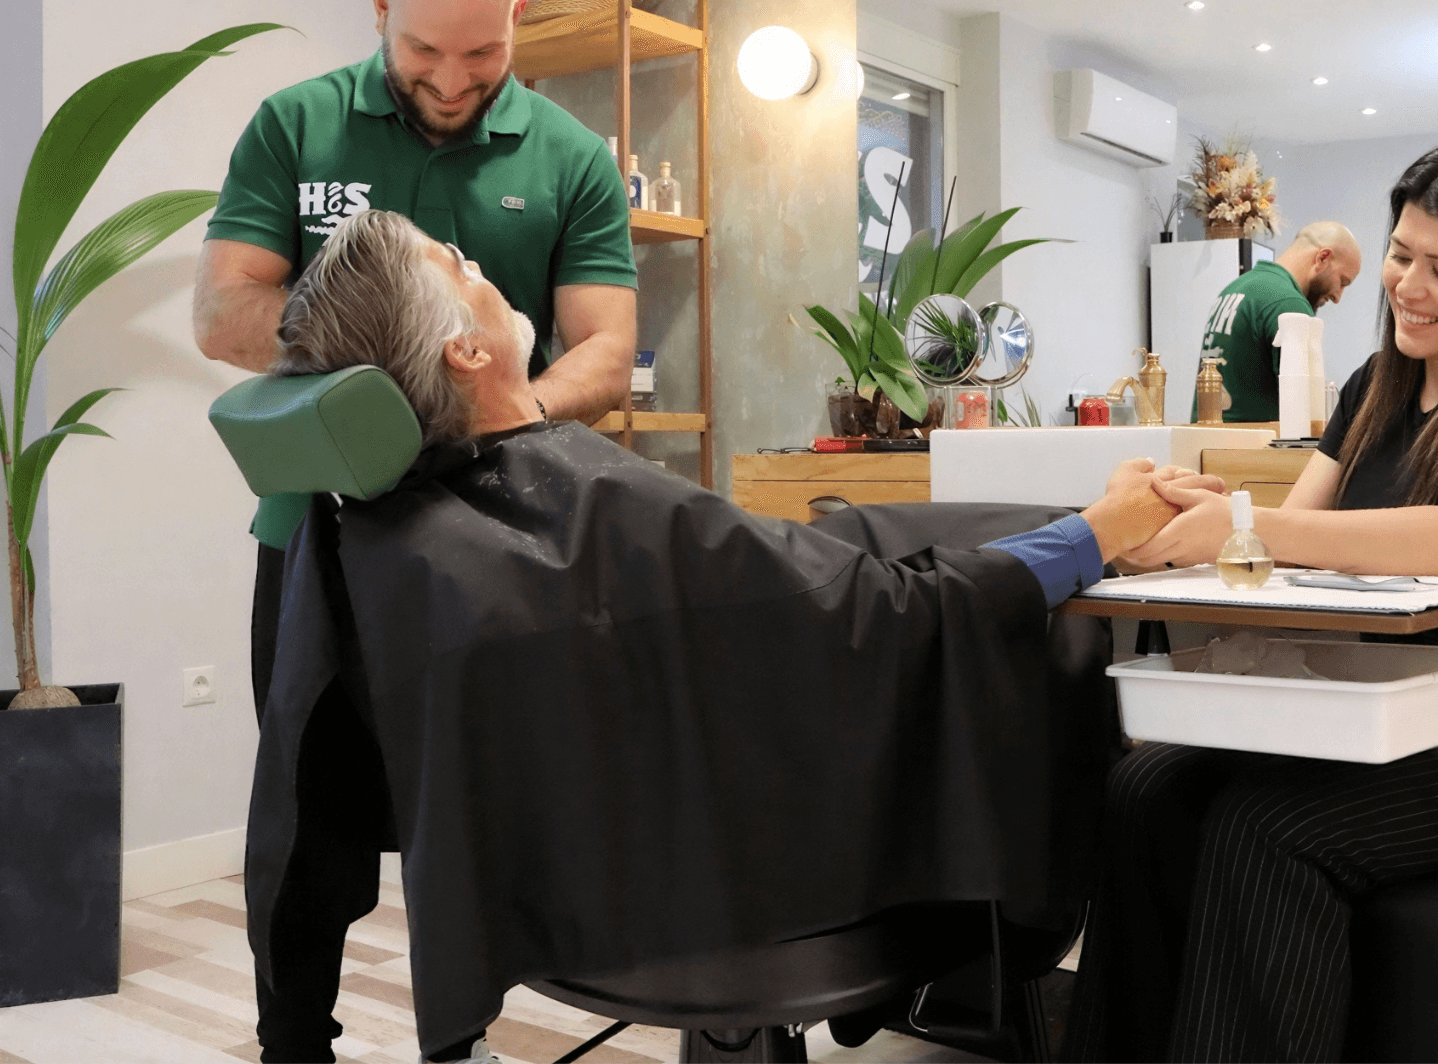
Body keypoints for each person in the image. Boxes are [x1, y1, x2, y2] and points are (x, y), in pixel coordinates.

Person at [243, 208, 1186, 1063]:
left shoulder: (385, 537)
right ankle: (1004, 962)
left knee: (872, 535)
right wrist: (1095, 535)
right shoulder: (598, 509)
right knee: (1038, 633)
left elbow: (298, 796)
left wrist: (1076, 524)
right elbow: (899, 616)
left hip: (587, 898)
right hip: (745, 893)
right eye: (458, 263)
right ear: (465, 350)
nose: (479, 264)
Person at [1065, 141, 1438, 1062]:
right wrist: (1179, 528)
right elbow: (1279, 548)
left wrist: (1250, 525)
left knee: (1265, 826)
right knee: (1144, 790)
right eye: (1401, 254)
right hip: (1368, 710)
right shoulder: (1375, 385)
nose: (1407, 285)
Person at [189, 0, 636, 1063]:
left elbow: (604, 348)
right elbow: (221, 312)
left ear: (518, 19)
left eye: (482, 53)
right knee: (311, 817)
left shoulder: (571, 158)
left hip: (491, 542)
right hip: (319, 540)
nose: (450, 79)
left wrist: (500, 412)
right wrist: (395, 345)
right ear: (381, 6)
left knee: (472, 809)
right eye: (426, 49)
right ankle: (293, 1042)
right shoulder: (295, 125)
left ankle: (458, 1039)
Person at [1198, 220, 1361, 422]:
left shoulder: (1234, 289)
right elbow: (1305, 415)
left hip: (1208, 438)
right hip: (1252, 441)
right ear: (1322, 258)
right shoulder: (1289, 304)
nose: (1338, 297)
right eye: (1342, 281)